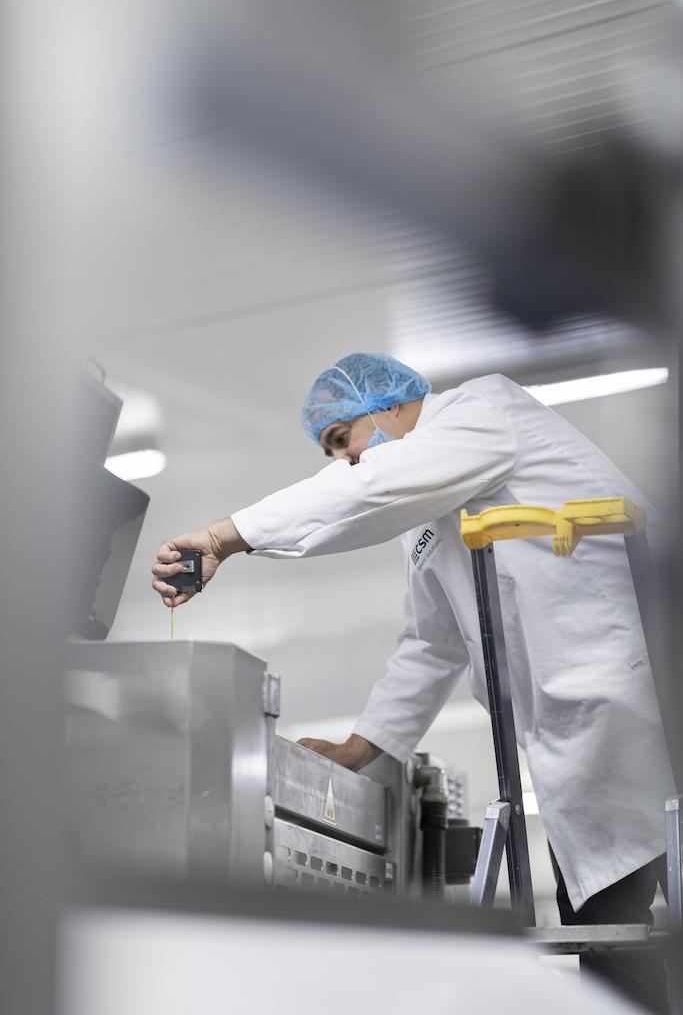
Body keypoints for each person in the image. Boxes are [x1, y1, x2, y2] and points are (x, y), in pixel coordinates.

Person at [152, 352, 675, 1013]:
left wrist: (226, 537)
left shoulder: (484, 413)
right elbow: (433, 642)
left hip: (648, 694)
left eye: (342, 438)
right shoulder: (425, 519)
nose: (344, 459)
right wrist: (360, 747)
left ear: (391, 403)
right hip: (573, 746)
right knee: (609, 952)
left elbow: (368, 488)